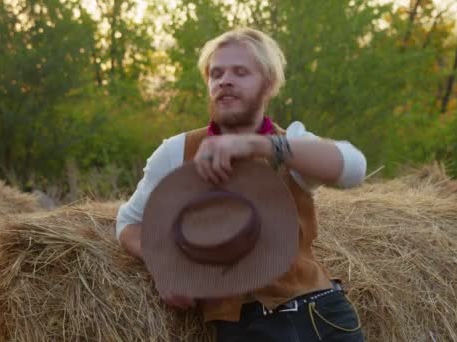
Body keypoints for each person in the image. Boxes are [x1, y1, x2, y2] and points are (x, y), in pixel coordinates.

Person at [116, 27, 367, 342]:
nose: (225, 80)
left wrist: (258, 146)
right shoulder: (177, 152)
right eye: (216, 73)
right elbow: (128, 223)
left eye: (240, 72)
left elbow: (354, 168)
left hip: (320, 316)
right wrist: (162, 265)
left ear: (269, 84)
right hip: (244, 328)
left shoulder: (290, 144)